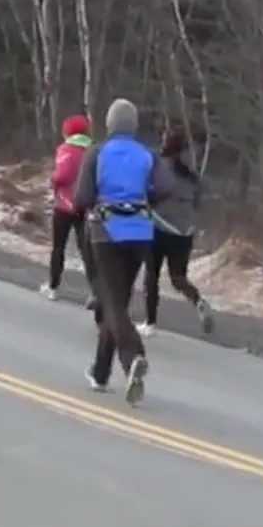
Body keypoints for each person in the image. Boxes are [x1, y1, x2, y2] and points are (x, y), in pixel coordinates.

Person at [72, 98, 163, 406]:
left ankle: (134, 355)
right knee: (118, 302)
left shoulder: (97, 152)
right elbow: (159, 191)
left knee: (111, 303)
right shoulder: (147, 155)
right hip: (140, 234)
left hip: (105, 233)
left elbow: (81, 197)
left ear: (110, 124)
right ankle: (100, 372)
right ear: (134, 125)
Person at [142, 125, 216, 336]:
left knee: (151, 275)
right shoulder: (191, 176)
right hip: (184, 233)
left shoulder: (157, 166)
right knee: (178, 277)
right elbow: (196, 203)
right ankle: (198, 301)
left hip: (159, 227)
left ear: (166, 144)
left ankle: (150, 323)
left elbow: (151, 194)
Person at [39, 114, 93, 303]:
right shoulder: (92, 151)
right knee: (86, 250)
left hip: (64, 205)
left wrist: (52, 181)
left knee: (58, 247)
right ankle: (96, 293)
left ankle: (53, 286)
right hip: (84, 205)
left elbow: (62, 175)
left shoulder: (66, 149)